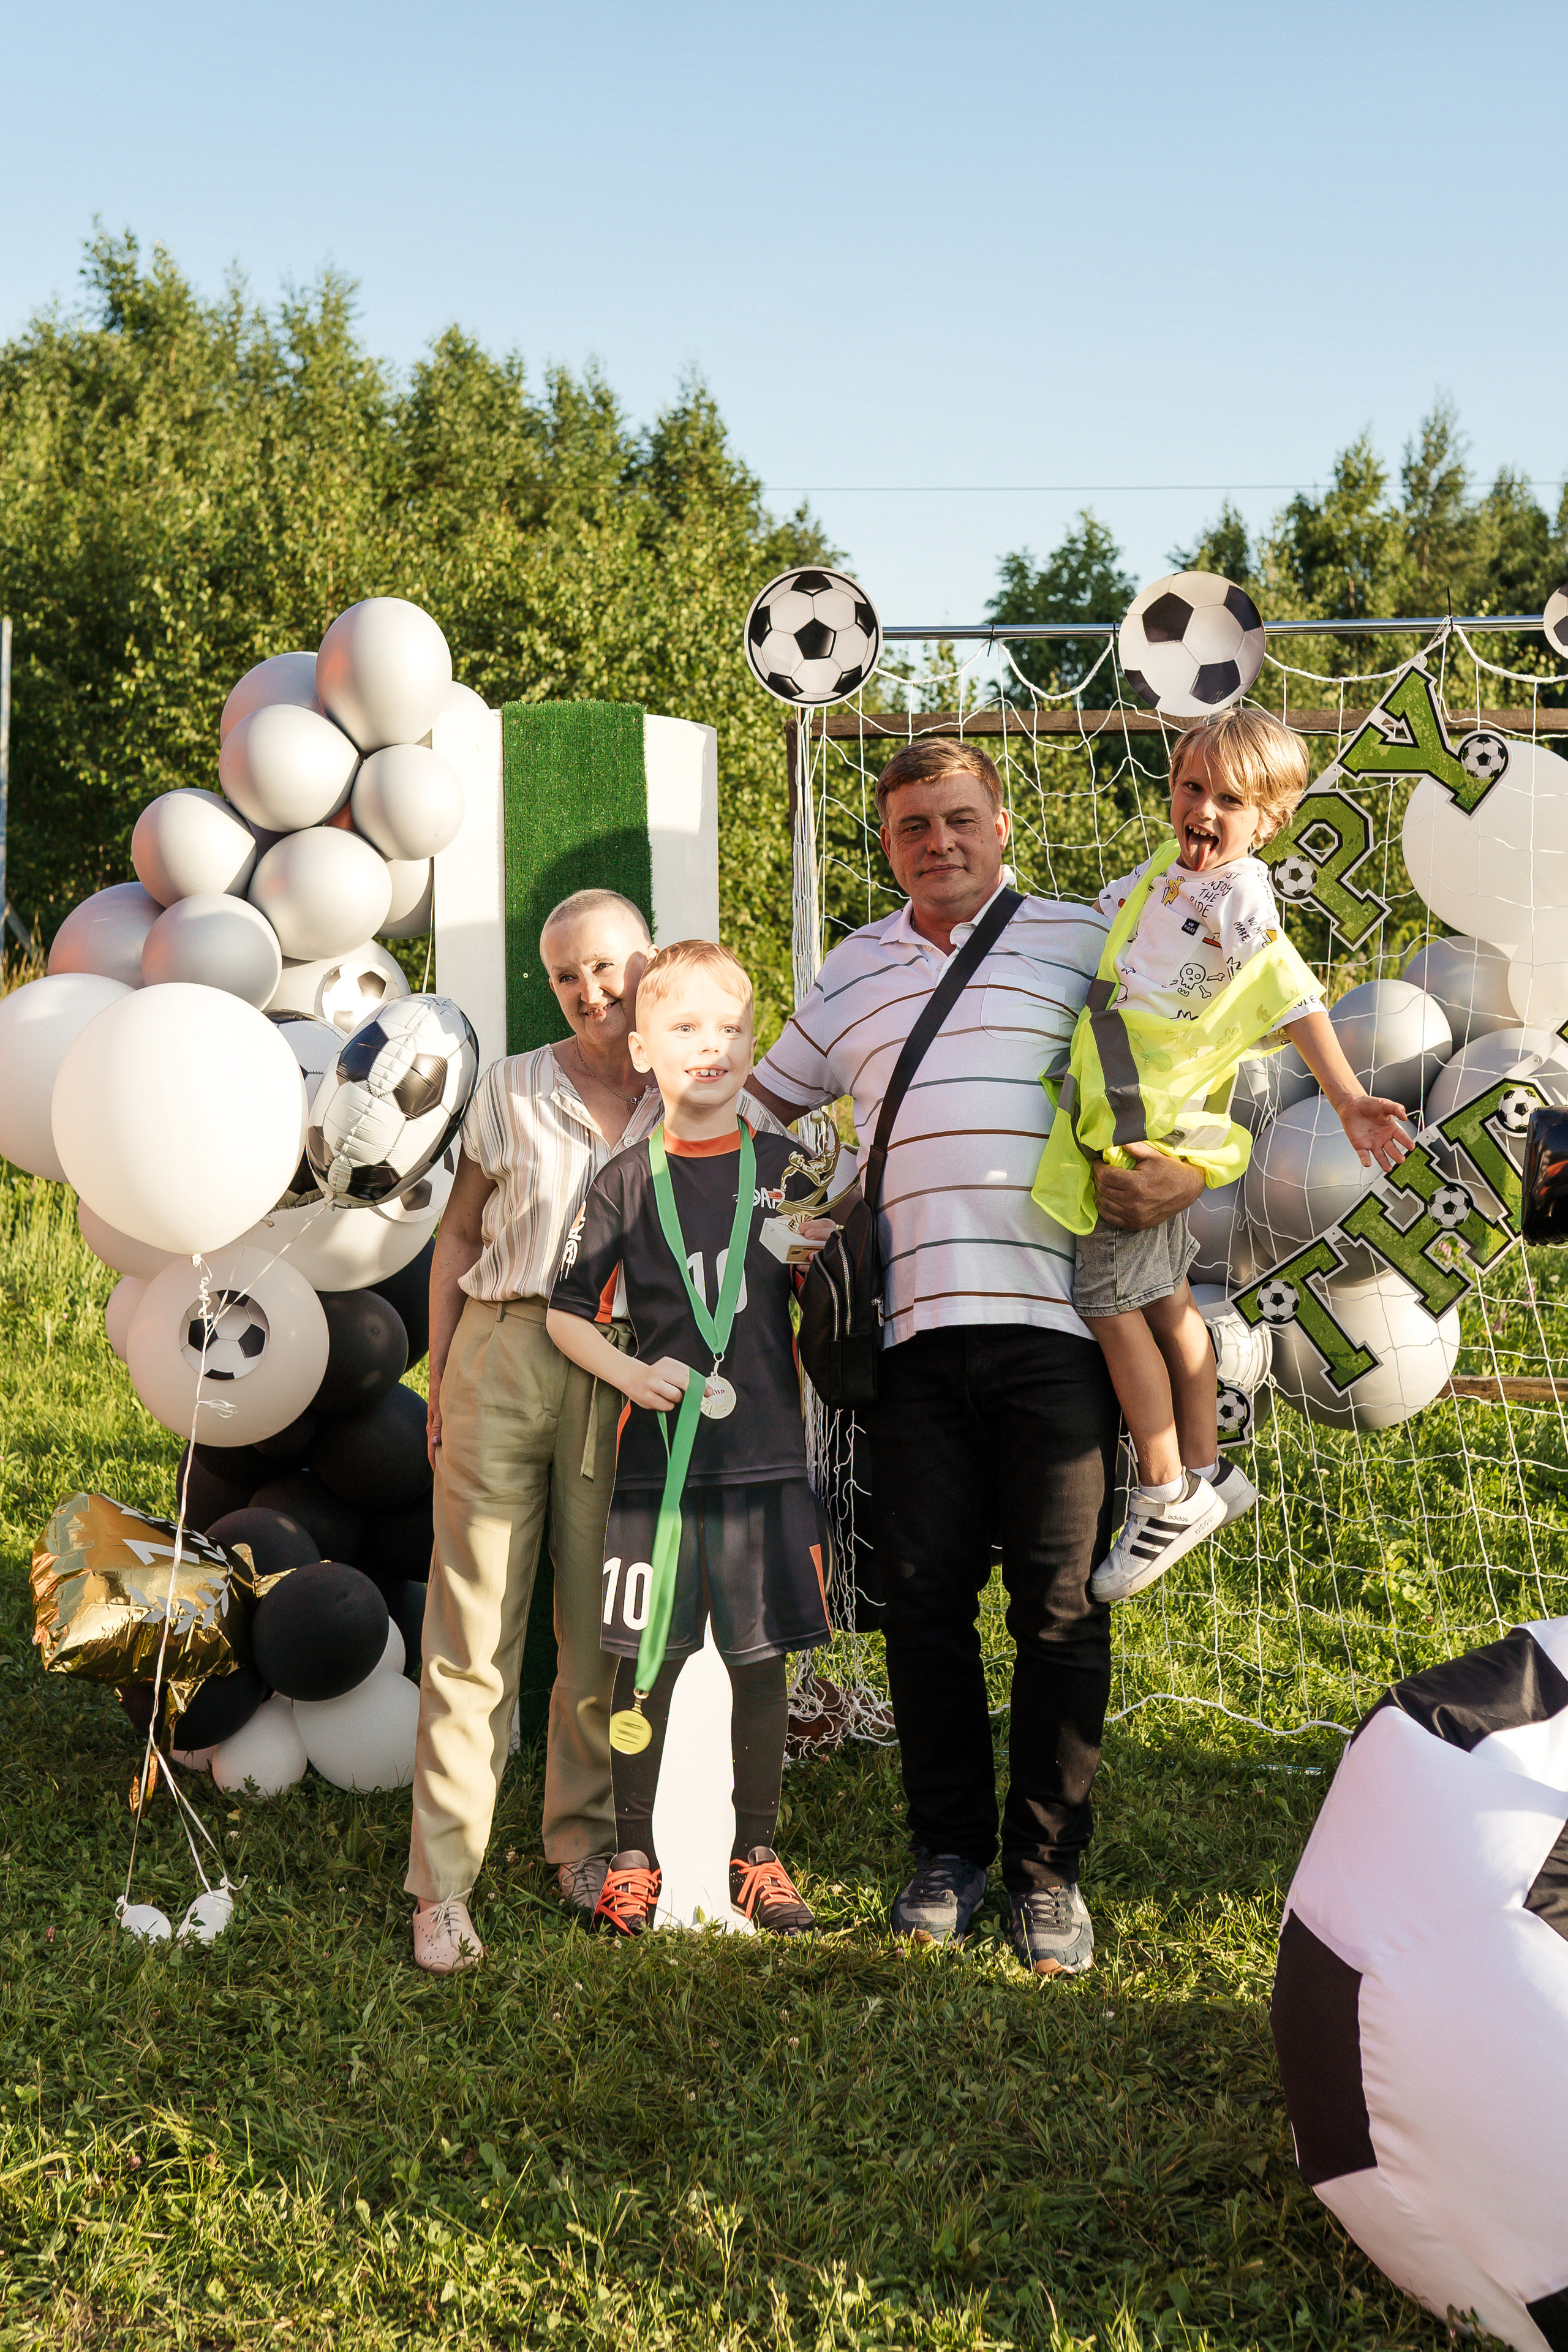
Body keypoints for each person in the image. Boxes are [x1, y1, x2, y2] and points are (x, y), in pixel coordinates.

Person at [745, 738, 1195, 1978]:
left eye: (957, 820)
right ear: (885, 845)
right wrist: (788, 1219)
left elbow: (1189, 1068)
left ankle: (1045, 1877)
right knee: (924, 1605)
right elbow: (753, 1110)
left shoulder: (1084, 937)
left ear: (1000, 824)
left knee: (1058, 1608)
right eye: (909, 829)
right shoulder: (852, 969)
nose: (935, 844)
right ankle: (945, 1852)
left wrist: (1188, 1172)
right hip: (906, 1336)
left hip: (1060, 1329)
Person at [406, 889, 776, 1974]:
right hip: (507, 1350)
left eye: (608, 968)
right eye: (567, 975)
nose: (589, 991)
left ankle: (582, 1846)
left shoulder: (698, 1097)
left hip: (631, 1375)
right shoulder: (513, 1088)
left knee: (599, 1631)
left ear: (648, 962)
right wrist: (440, 1379)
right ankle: (442, 1885)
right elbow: (458, 1236)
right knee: (473, 1629)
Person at [1033, 707, 1412, 1605]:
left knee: (1107, 1306)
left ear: (1270, 819)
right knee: (1166, 1303)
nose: (1201, 810)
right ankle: (1211, 1471)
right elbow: (1096, 920)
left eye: (1228, 800)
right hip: (1131, 1097)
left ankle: (1165, 1490)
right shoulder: (1169, 873)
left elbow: (1290, 995)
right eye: (1189, 788)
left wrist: (1349, 1095)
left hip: (1142, 1123)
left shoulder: (1240, 894)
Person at [546, 939, 833, 1939]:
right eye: (683, 1029)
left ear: (752, 1045)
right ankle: (635, 1854)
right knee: (648, 1661)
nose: (708, 1047)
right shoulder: (624, 1180)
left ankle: (755, 1850)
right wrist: (632, 1374)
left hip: (763, 1463)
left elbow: (825, 1302)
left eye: (728, 1027)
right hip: (657, 1470)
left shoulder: (788, 1168)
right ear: (643, 1053)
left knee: (759, 1663)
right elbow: (565, 1312)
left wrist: (825, 1269)